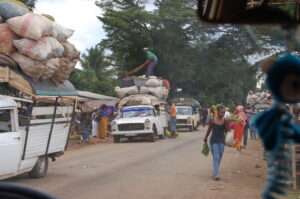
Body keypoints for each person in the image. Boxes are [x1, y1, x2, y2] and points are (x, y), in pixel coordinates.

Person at [204, 106, 229, 181]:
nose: (223, 114)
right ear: (217, 112)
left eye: (224, 112)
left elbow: (227, 130)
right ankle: (216, 174)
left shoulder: (225, 120)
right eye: (222, 112)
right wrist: (205, 138)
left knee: (219, 158)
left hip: (221, 141)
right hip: (213, 141)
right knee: (216, 157)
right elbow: (209, 130)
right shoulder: (212, 120)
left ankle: (215, 171)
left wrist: (227, 123)